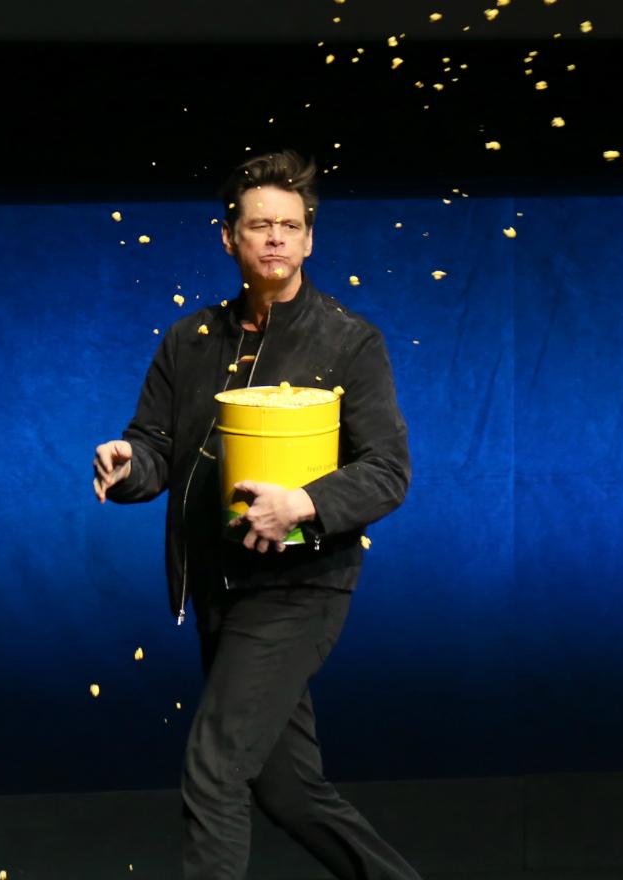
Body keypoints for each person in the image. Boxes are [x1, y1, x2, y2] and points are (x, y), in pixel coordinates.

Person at [92, 149, 421, 880]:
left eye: (289, 225)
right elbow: (156, 445)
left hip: (302, 586)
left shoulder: (348, 340)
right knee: (288, 789)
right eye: (258, 224)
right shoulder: (191, 340)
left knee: (213, 766)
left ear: (310, 239)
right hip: (223, 590)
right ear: (229, 237)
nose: (274, 237)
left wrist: (304, 502)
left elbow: (387, 472)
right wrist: (129, 463)